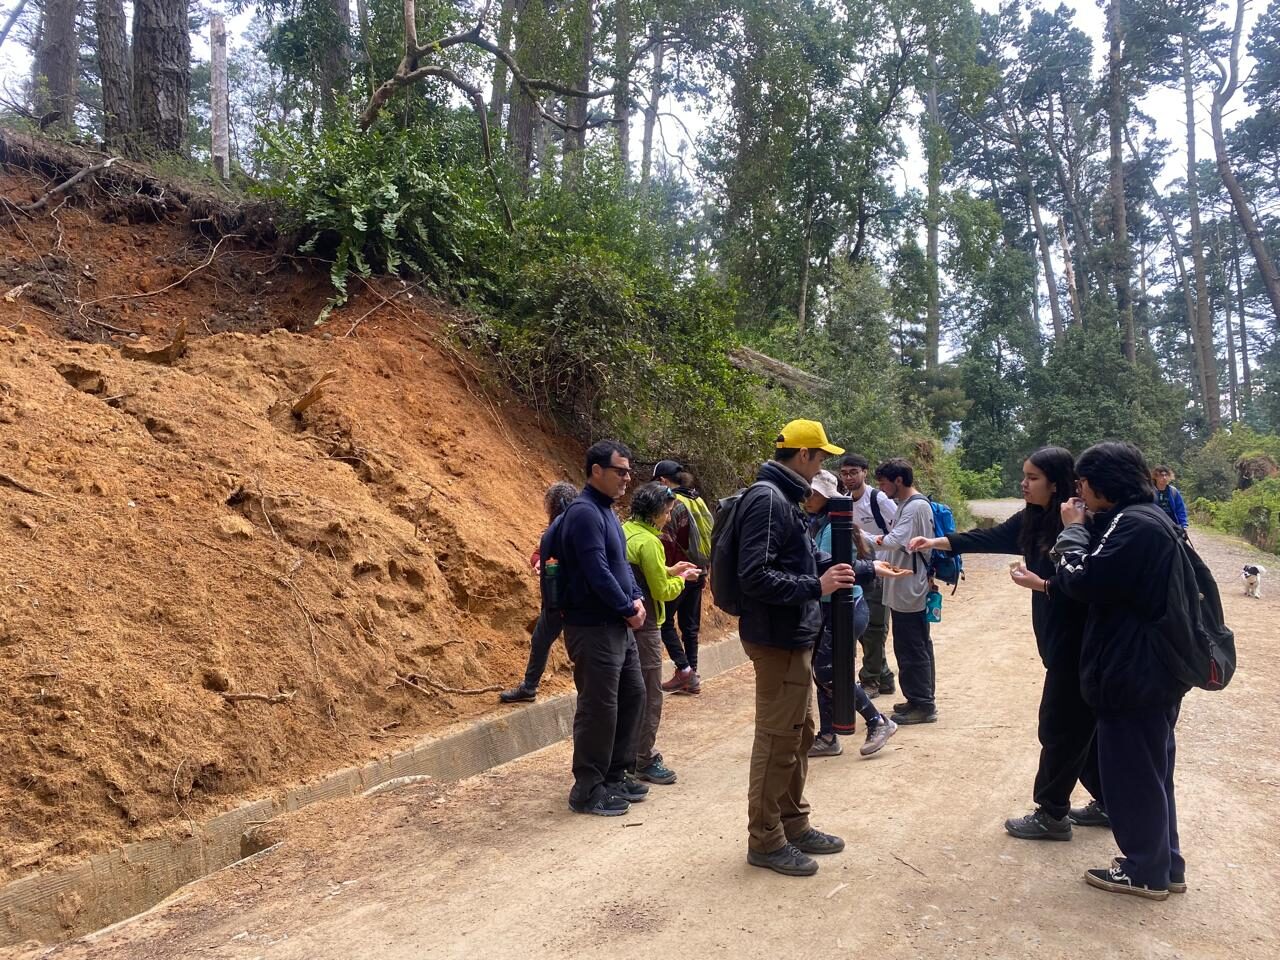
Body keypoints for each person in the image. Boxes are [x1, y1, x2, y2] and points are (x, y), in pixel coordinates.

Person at [908, 448, 1107, 840]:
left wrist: (1044, 584)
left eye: (1032, 477)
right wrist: (936, 543)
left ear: (1055, 482)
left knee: (1059, 727)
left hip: (1080, 642)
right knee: (1083, 729)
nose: (1024, 483)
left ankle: (1051, 814)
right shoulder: (1034, 519)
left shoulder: (1083, 523)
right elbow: (988, 537)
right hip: (1056, 640)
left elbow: (1089, 584)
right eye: (1025, 476)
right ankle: (1111, 801)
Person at [1025, 441, 1191, 900]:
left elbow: (1082, 581)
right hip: (1150, 669)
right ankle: (1164, 864)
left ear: (1099, 484)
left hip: (1133, 671)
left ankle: (1144, 870)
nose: (1077, 492)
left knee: (1133, 774)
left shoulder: (1133, 525)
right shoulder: (1150, 517)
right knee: (1152, 771)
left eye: (1081, 483)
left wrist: (1072, 532)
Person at [734, 419, 857, 877]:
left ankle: (792, 824)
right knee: (776, 740)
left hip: (792, 636)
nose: (825, 465)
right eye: (822, 456)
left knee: (799, 733)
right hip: (777, 639)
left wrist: (859, 570)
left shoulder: (784, 497)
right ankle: (765, 840)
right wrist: (815, 585)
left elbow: (803, 561)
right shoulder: (769, 500)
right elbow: (755, 575)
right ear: (804, 455)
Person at [558, 440, 649, 817]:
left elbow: (621, 565)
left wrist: (637, 597)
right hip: (592, 626)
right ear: (596, 471)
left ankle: (614, 774)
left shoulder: (608, 512)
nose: (627, 478)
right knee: (599, 707)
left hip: (615, 625)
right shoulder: (583, 513)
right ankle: (587, 787)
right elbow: (596, 569)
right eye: (620, 471)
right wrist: (626, 606)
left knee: (633, 695)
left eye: (629, 471)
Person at [804, 469, 901, 759]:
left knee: (828, 671)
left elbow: (830, 570)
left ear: (828, 497)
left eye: (815, 493)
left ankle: (878, 721)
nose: (808, 498)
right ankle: (828, 736)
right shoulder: (819, 523)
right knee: (824, 672)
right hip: (830, 608)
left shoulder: (834, 528)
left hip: (844, 609)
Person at [623, 483, 701, 785]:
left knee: (628, 691)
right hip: (647, 626)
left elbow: (643, 574)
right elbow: (661, 592)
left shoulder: (625, 531)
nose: (668, 518)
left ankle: (626, 755)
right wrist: (682, 578)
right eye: (667, 513)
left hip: (623, 625)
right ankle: (644, 758)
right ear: (656, 513)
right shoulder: (650, 543)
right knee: (651, 694)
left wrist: (670, 569)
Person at [499, 481, 580, 704]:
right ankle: (530, 686)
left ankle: (531, 686)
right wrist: (539, 563)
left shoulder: (569, 529)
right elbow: (538, 553)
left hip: (567, 599)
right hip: (556, 600)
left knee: (571, 644)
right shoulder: (557, 529)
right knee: (541, 640)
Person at [872, 459, 938, 725]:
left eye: (884, 482)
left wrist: (865, 537)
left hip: (910, 587)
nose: (882, 488)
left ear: (898, 480)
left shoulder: (915, 507)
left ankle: (923, 704)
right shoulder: (909, 506)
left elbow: (893, 540)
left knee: (912, 646)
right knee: (914, 644)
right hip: (906, 586)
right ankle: (917, 698)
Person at [837, 453, 898, 698]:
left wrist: (867, 540)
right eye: (845, 473)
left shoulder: (879, 499)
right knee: (862, 628)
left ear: (865, 472)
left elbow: (899, 533)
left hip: (880, 571)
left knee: (874, 629)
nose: (849, 477)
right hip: (857, 572)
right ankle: (884, 677)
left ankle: (870, 680)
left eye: (854, 472)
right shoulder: (842, 501)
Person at [652, 461, 715, 694]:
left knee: (665, 622)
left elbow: (666, 540)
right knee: (690, 626)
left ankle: (685, 671)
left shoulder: (675, 504)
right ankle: (693, 674)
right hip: (699, 571)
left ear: (662, 481)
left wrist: (664, 571)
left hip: (680, 571)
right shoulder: (697, 499)